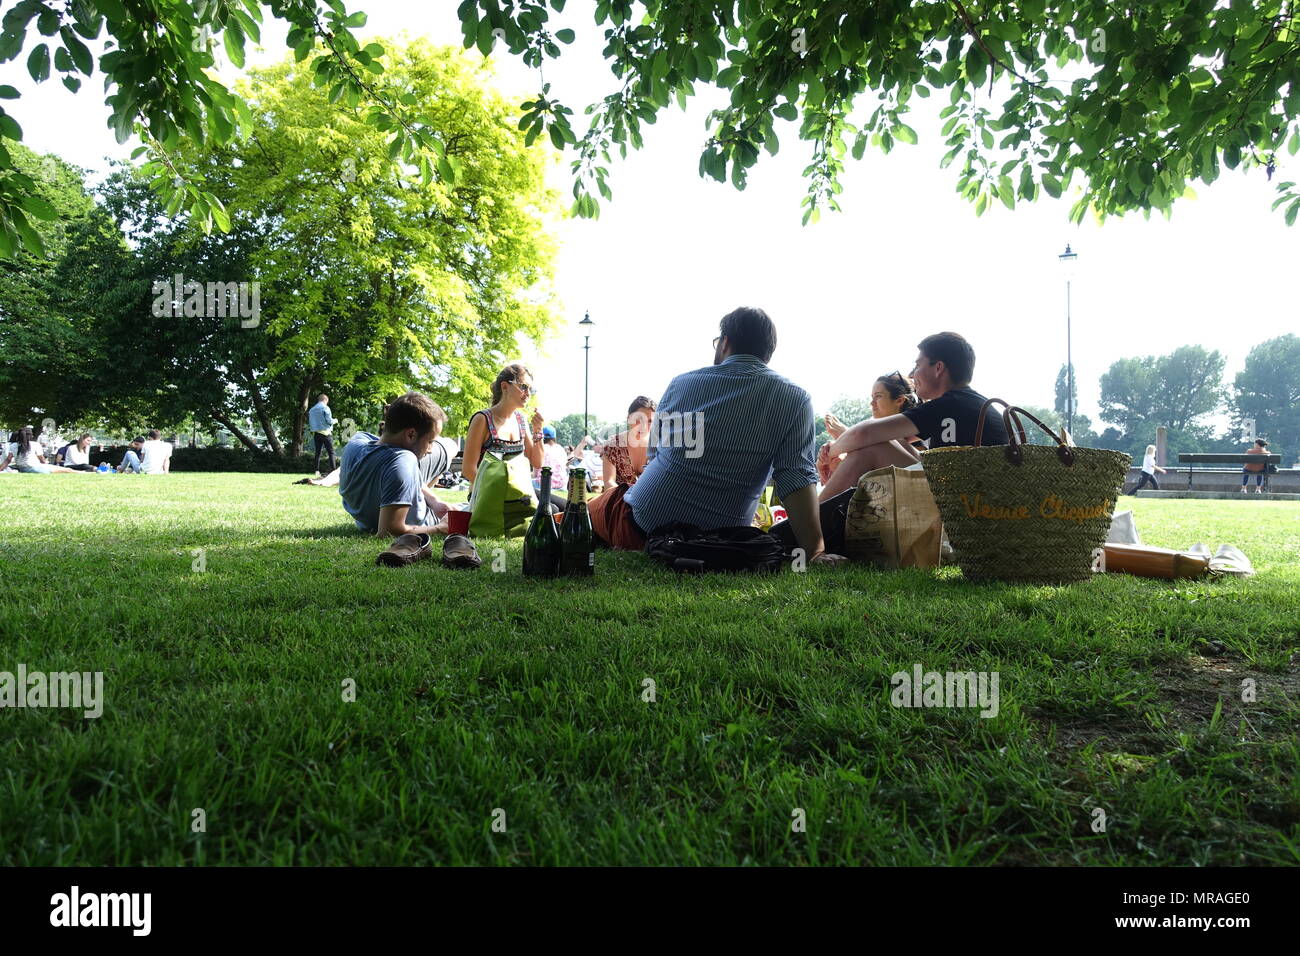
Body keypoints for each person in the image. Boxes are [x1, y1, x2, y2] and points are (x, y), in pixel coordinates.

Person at [593, 306, 845, 564]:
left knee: (584, 512)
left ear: (724, 343)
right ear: (767, 353)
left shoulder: (681, 384)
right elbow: (796, 477)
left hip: (642, 524)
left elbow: (656, 455)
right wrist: (814, 552)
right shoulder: (795, 399)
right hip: (723, 539)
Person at [819, 332, 1008, 501]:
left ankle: (811, 524)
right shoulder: (968, 403)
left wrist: (830, 453)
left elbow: (864, 434)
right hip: (973, 494)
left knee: (871, 449)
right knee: (883, 440)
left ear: (938, 368)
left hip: (966, 500)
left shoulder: (950, 403)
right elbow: (893, 440)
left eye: (918, 365)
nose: (912, 374)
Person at [338, 391, 458, 536]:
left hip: (367, 519)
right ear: (410, 434)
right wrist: (440, 528)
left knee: (449, 446)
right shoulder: (403, 462)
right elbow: (388, 530)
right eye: (430, 441)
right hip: (423, 522)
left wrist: (434, 500)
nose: (431, 449)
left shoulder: (355, 443)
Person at [819, 372, 924, 491]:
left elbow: (865, 435)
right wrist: (833, 461)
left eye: (878, 396)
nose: (872, 403)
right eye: (872, 397)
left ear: (899, 400)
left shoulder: (915, 436)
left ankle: (814, 510)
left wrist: (840, 441)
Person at [460, 363, 545, 485]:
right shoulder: (482, 420)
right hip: (486, 495)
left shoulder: (521, 420)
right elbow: (468, 470)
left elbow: (537, 463)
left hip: (517, 494)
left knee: (560, 504)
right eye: (524, 387)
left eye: (531, 389)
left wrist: (538, 429)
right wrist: (500, 493)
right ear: (505, 387)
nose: (528, 394)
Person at [600, 397, 657, 488]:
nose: (644, 426)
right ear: (629, 418)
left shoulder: (658, 448)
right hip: (618, 499)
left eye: (650, 421)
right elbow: (609, 483)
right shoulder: (613, 445)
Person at [5, 426, 80, 473]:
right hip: (35, 468)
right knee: (66, 470)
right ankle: (83, 472)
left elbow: (8, 460)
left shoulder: (14, 445)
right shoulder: (35, 444)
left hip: (21, 468)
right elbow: (42, 460)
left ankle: (83, 472)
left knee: (64, 469)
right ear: (31, 436)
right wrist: (47, 465)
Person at [308, 393, 337, 476]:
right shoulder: (325, 408)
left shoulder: (312, 410)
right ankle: (333, 470)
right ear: (325, 400)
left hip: (316, 433)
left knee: (317, 453)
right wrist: (335, 420)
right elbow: (329, 421)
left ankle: (316, 471)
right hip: (326, 433)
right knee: (331, 452)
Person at [535, 425, 568, 492]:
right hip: (561, 485)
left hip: (544, 485)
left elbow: (535, 473)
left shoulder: (541, 449)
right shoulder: (561, 449)